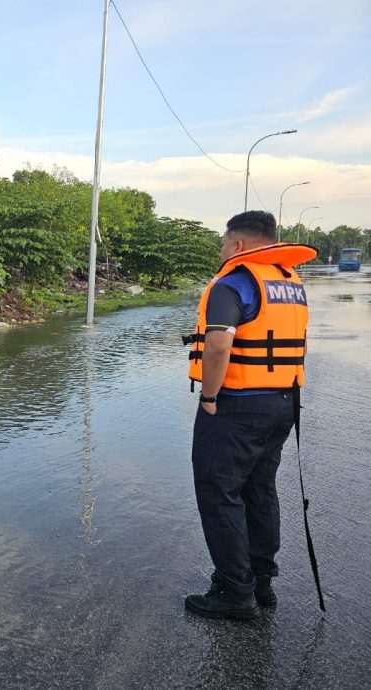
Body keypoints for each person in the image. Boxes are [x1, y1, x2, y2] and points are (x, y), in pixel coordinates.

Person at [183, 210, 317, 619]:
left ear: (238, 244)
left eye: (223, 243)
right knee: (259, 490)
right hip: (282, 404)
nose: (221, 251)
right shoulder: (290, 284)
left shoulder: (234, 282)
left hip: (237, 405)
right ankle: (261, 584)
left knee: (219, 492)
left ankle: (234, 593)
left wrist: (209, 398)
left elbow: (219, 346)